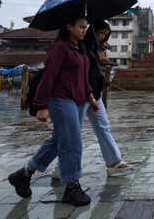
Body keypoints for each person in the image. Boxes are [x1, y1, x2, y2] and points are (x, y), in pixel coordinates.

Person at [8, 14, 100, 206]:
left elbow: (83, 78)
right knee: (73, 141)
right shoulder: (60, 47)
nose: (85, 30)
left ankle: (24, 175)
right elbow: (48, 76)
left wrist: (91, 98)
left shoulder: (81, 48)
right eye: (81, 27)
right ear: (69, 26)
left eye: (86, 27)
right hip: (59, 99)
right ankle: (72, 187)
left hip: (75, 100)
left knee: (59, 140)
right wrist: (41, 105)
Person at [52, 20, 130, 178]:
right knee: (72, 133)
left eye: (105, 35)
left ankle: (114, 161)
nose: (103, 37)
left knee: (103, 126)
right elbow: (78, 73)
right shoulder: (80, 46)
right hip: (81, 96)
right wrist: (94, 60)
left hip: (94, 94)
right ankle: (60, 168)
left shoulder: (96, 48)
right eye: (101, 33)